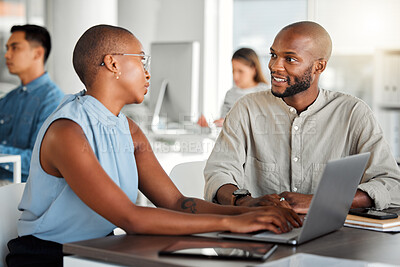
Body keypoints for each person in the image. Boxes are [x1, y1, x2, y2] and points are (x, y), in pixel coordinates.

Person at [6, 24, 301, 266]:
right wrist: (233, 222)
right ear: (113, 63)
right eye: (141, 60)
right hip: (48, 257)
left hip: (97, 250)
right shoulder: (67, 132)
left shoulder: (129, 129)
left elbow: (175, 203)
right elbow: (131, 218)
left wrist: (249, 212)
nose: (148, 73)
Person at [204, 21, 400, 213]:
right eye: (273, 55)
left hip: (336, 237)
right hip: (261, 234)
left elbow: (389, 184)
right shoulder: (246, 109)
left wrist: (320, 201)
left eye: (290, 59)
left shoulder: (353, 113)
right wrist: (243, 201)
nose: (275, 66)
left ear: (319, 67)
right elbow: (219, 173)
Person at [0, 24, 64, 185]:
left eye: (15, 48)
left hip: (25, 193)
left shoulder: (54, 101)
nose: (7, 55)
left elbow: (41, 161)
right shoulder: (9, 99)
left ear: (38, 53)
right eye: (7, 48)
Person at [213, 48, 269, 127]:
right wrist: (210, 125)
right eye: (233, 71)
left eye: (240, 71)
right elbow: (223, 123)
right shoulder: (230, 94)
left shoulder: (266, 93)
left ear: (254, 69)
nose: (235, 76)